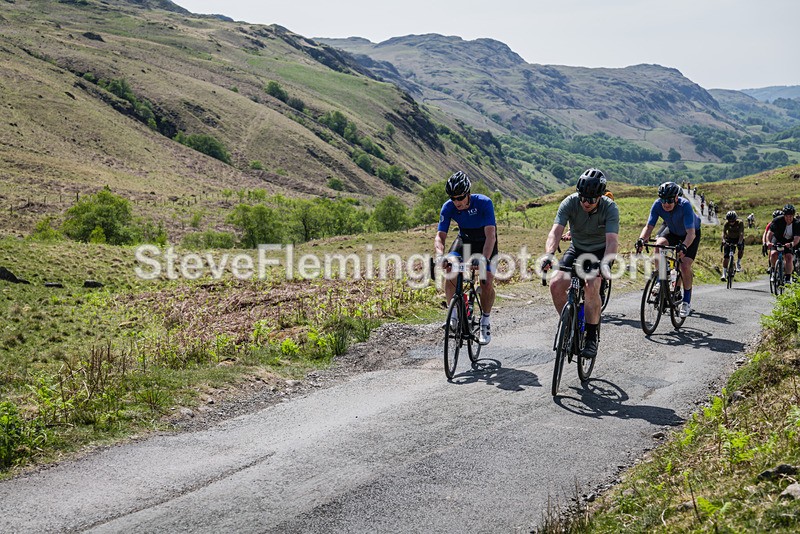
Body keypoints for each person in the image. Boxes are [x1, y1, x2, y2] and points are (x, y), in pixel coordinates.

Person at [541, 168, 619, 360]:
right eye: (583, 197)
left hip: (599, 251)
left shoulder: (610, 208)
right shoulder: (570, 202)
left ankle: (591, 337)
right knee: (556, 284)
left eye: (591, 199)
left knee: (592, 285)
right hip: (577, 248)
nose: (586, 202)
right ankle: (569, 324)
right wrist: (549, 254)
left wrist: (605, 264)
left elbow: (612, 241)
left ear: (600, 196)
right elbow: (556, 232)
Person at [435, 171, 497, 345]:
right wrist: (440, 256)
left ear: (468, 193)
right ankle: (453, 317)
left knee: (486, 281)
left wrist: (483, 259)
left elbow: (491, 236)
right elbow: (440, 236)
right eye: (453, 198)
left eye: (460, 197)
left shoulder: (484, 202)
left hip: (485, 241)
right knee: (450, 268)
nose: (457, 202)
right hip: (465, 240)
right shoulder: (448, 207)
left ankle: (485, 321)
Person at [635, 181, 702, 318]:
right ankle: (660, 280)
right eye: (663, 200)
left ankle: (686, 301)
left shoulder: (685, 205)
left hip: (690, 234)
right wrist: (641, 239)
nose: (666, 204)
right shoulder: (657, 205)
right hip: (673, 231)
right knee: (659, 245)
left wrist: (684, 246)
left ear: (676, 198)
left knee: (684, 266)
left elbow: (691, 234)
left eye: (669, 200)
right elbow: (649, 227)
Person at [766, 204, 800, 284]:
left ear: (793, 216)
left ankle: (787, 278)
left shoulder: (797, 224)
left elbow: (797, 238)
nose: (788, 218)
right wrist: (768, 242)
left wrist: (791, 244)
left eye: (790, 216)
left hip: (789, 241)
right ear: (784, 215)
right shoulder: (777, 220)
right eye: (786, 216)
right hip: (777, 239)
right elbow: (769, 233)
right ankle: (773, 270)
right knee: (773, 254)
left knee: (789, 257)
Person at [721, 210, 745, 279]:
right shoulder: (726, 223)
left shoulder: (740, 223)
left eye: (733, 221)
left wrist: (739, 242)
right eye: (729, 221)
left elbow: (741, 233)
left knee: (740, 249)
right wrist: (723, 240)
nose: (731, 222)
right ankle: (724, 274)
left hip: (738, 238)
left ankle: (738, 262)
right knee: (726, 257)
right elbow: (723, 232)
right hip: (729, 238)